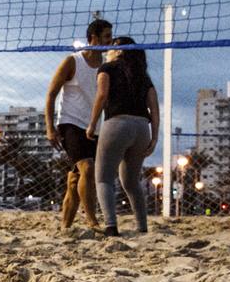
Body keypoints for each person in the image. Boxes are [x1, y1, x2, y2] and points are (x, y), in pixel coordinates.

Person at [86, 36, 158, 236]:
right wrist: (154, 138)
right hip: (142, 128)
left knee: (103, 179)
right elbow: (154, 107)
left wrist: (92, 125)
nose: (106, 50)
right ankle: (142, 227)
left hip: (117, 124)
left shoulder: (107, 68)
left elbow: (102, 95)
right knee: (131, 182)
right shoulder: (143, 75)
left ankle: (111, 226)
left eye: (110, 47)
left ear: (118, 50)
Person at [44, 17, 112, 230]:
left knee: (75, 179)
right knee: (88, 168)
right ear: (93, 38)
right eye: (107, 37)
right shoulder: (73, 61)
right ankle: (92, 220)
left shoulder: (107, 67)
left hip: (94, 128)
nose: (110, 41)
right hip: (70, 124)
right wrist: (49, 127)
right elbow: (51, 95)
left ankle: (65, 226)